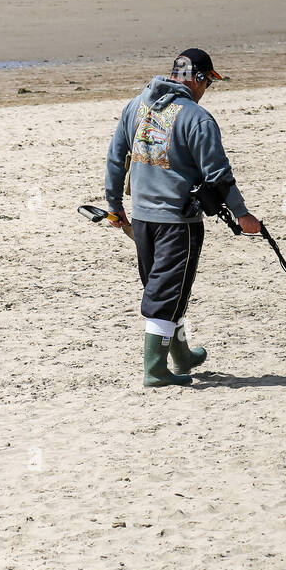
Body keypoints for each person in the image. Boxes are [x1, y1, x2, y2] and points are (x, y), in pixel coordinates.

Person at [105, 49, 261, 387]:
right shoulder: (197, 117)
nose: (207, 89)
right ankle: (156, 370)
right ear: (199, 78)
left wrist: (114, 203)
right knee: (166, 294)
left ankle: (182, 356)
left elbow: (117, 157)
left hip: (142, 218)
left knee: (164, 288)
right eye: (208, 82)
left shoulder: (135, 106)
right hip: (178, 222)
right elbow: (219, 175)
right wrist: (242, 214)